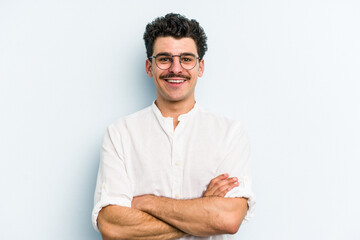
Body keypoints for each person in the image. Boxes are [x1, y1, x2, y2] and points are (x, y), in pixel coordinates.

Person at [92, 13, 255, 240]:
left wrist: (146, 202)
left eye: (186, 59)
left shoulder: (229, 134)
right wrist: (204, 211)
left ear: (201, 67)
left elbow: (227, 219)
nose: (176, 69)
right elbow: (112, 227)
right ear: (149, 67)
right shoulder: (120, 134)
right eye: (165, 59)